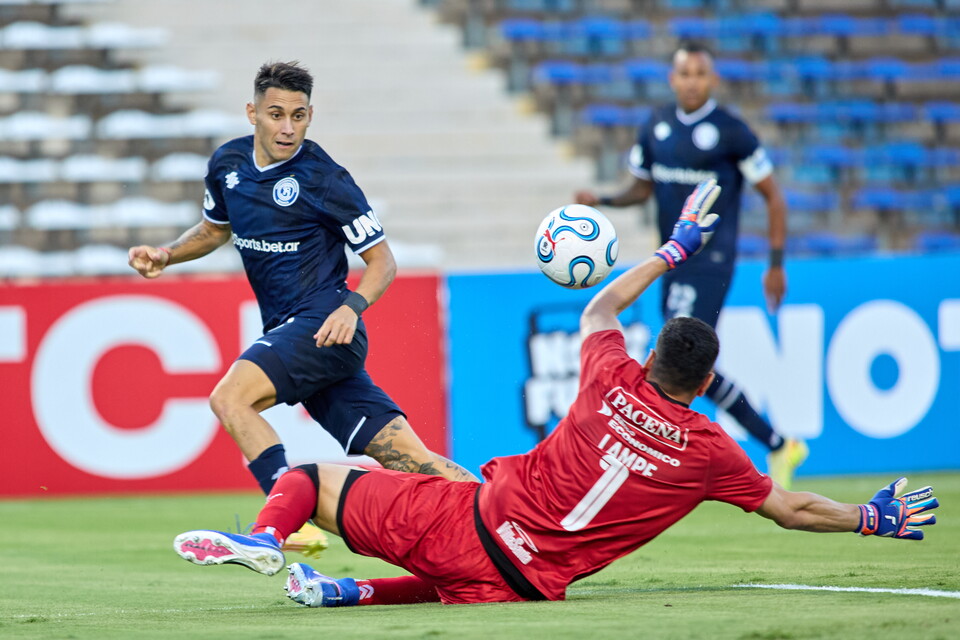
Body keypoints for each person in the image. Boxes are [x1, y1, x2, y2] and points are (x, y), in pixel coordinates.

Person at [172, 180, 939, 608]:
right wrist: (870, 517)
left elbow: (600, 310)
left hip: (474, 522)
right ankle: (352, 594)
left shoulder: (611, 375)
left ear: (650, 357)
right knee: (462, 569)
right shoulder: (711, 451)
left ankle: (266, 538)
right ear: (706, 385)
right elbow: (790, 508)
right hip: (529, 586)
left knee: (311, 481)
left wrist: (674, 249)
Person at [130, 61, 477, 556]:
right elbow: (212, 231)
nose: (288, 128)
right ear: (252, 113)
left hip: (325, 325)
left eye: (298, 116)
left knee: (230, 399)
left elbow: (382, 261)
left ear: (310, 116)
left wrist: (352, 307)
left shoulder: (325, 179)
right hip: (307, 341)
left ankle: (286, 523)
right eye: (276, 114)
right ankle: (509, 518)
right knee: (406, 457)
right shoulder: (228, 165)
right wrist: (167, 254)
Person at [574, 42, 806, 489]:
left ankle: (657, 457)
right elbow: (641, 188)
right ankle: (779, 444)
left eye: (701, 74)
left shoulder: (732, 131)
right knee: (689, 362)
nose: (693, 82)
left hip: (711, 260)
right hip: (672, 259)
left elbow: (774, 196)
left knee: (679, 354)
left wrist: (776, 263)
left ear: (713, 79)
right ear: (672, 79)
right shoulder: (656, 126)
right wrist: (602, 199)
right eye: (685, 73)